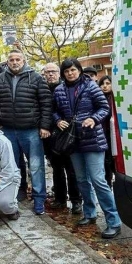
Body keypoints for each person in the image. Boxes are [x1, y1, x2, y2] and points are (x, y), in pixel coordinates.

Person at [53, 58, 121, 239]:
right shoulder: (59, 90)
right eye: (66, 71)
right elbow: (55, 110)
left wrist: (94, 118)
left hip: (92, 139)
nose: (70, 73)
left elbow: (104, 107)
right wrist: (58, 120)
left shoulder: (91, 86)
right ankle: (89, 213)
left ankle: (113, 221)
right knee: (81, 179)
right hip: (72, 140)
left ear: (79, 70)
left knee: (98, 180)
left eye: (73, 70)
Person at [0, 49, 52, 215]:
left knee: (36, 166)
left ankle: (39, 199)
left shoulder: (36, 78)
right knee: (13, 165)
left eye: (18, 59)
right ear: (7, 62)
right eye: (11, 60)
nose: (14, 62)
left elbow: (46, 102)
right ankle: (19, 192)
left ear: (24, 60)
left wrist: (45, 126)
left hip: (31, 130)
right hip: (8, 130)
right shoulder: (0, 79)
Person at [43, 63, 82, 214]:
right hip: (50, 136)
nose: (50, 74)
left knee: (72, 169)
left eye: (53, 71)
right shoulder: (43, 89)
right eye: (47, 72)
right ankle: (60, 199)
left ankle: (76, 200)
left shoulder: (66, 87)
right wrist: (56, 120)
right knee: (57, 169)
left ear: (59, 73)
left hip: (68, 134)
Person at [98, 75, 116, 188]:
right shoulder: (97, 99)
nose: (105, 86)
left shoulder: (116, 98)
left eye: (108, 83)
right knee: (106, 162)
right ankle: (108, 184)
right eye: (102, 84)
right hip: (103, 135)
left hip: (115, 134)